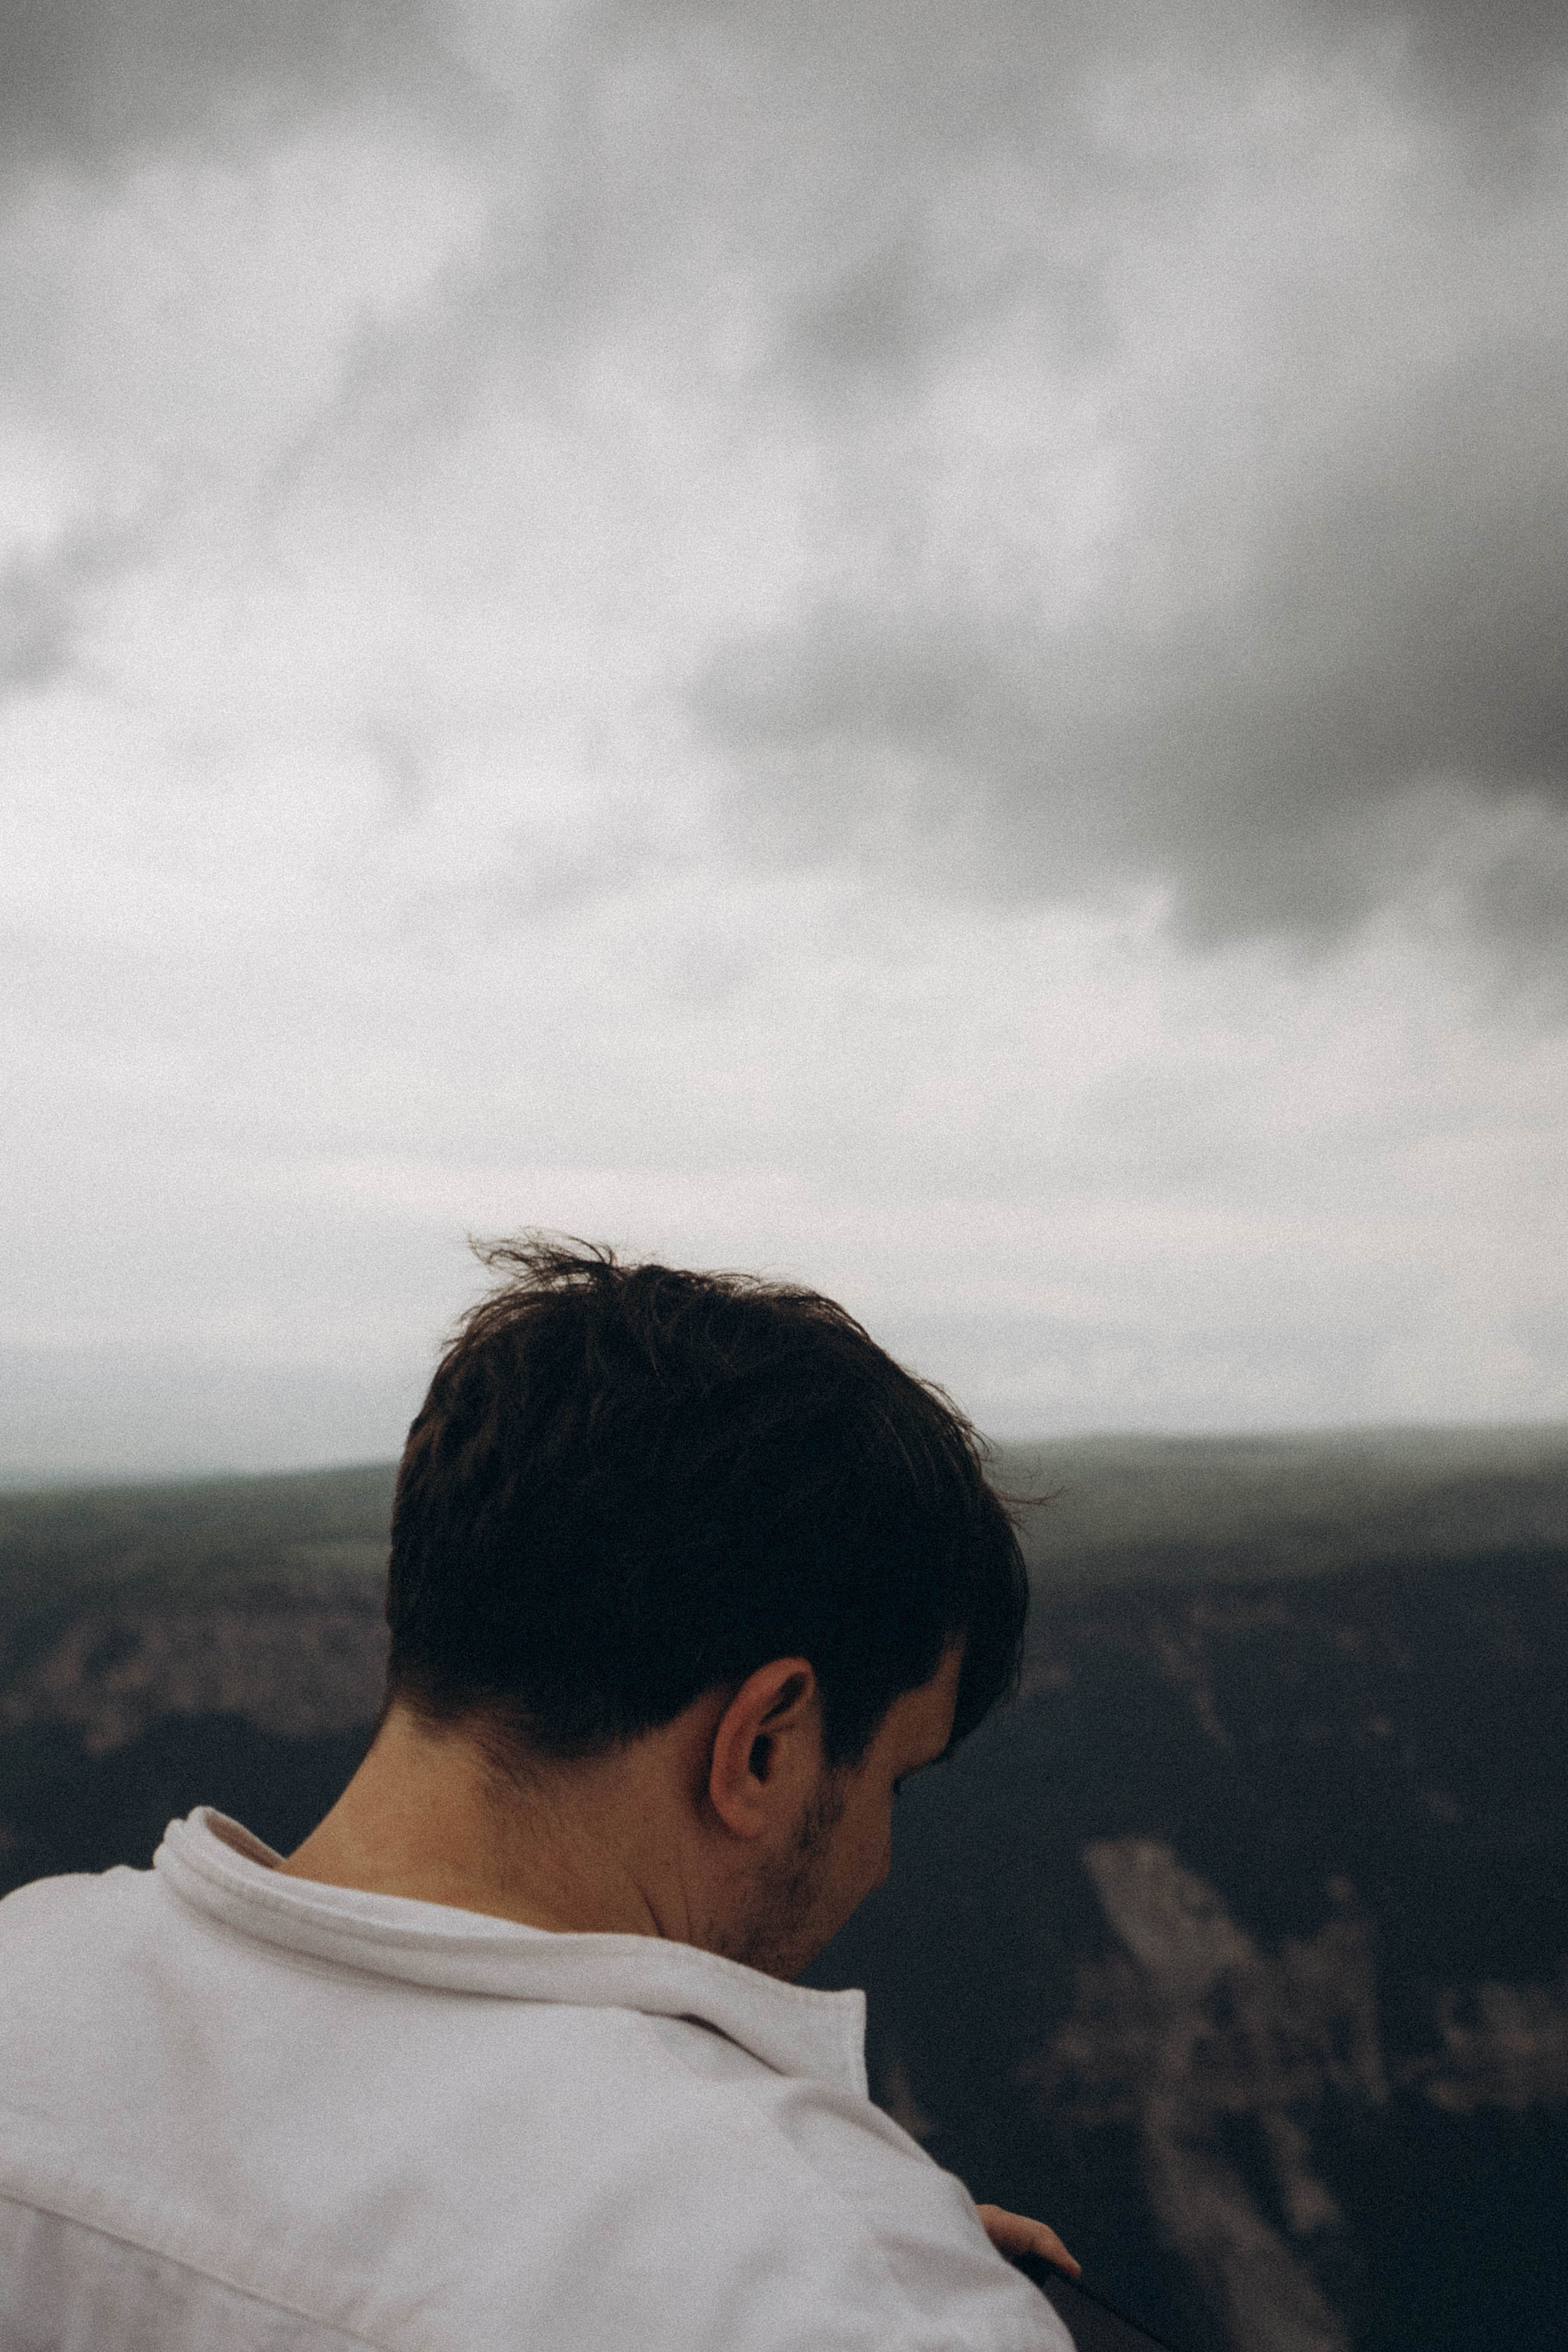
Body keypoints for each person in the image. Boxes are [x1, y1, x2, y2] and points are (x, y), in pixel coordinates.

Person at [0, 1238, 1077, 2349]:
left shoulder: (22, 1970)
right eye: (894, 1780)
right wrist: (884, 2266)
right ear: (763, 1746)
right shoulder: (843, 2297)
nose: (882, 1857)